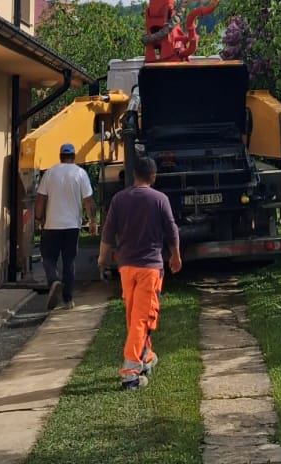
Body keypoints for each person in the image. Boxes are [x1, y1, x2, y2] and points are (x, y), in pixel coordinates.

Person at [97, 153, 182, 389]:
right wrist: (176, 256)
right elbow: (172, 231)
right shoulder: (160, 199)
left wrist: (102, 257)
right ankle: (130, 374)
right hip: (149, 268)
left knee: (133, 316)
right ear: (153, 177)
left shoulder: (119, 199)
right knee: (142, 318)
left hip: (126, 267)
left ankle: (145, 356)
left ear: (134, 175)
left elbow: (108, 232)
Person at [34, 142, 97, 311]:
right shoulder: (80, 173)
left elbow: (40, 199)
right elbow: (89, 200)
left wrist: (38, 219)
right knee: (69, 261)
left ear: (60, 157)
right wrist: (92, 221)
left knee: (48, 257)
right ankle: (68, 299)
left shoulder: (49, 173)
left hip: (52, 225)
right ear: (73, 157)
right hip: (72, 226)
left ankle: (53, 280)